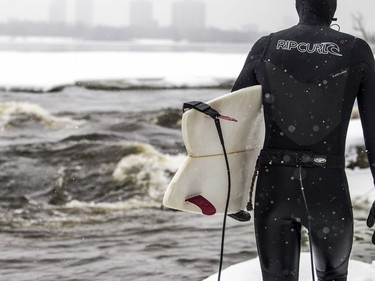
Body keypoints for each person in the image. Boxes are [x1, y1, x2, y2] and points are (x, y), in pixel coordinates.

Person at [231, 0, 375, 280]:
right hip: (327, 188)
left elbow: (234, 118)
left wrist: (230, 192)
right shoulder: (356, 50)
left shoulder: (267, 45)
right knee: (333, 277)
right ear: (333, 11)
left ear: (298, 7)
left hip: (273, 186)